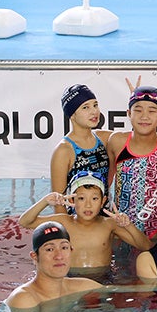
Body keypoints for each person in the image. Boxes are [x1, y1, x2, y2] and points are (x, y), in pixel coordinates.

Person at [18, 171, 152, 270]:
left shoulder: (109, 225)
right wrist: (45, 201)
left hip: (102, 279)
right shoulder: (64, 222)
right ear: (72, 200)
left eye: (94, 199)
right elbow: (25, 222)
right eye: (81, 198)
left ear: (103, 201)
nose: (88, 205)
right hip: (70, 279)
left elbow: (146, 247)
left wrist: (128, 225)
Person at [106, 86, 157, 239]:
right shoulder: (117, 141)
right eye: (138, 110)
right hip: (122, 231)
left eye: (152, 111)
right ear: (129, 113)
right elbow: (107, 183)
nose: (144, 117)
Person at [4, 222, 102, 310]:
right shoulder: (23, 299)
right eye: (49, 249)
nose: (59, 256)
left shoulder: (85, 287)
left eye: (64, 247)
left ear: (71, 251)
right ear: (34, 257)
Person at [51, 84, 113, 214]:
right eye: (85, 107)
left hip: (105, 220)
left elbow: (136, 140)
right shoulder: (64, 151)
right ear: (72, 115)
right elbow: (59, 204)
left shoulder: (104, 139)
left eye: (95, 105)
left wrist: (136, 103)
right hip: (77, 221)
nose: (94, 111)